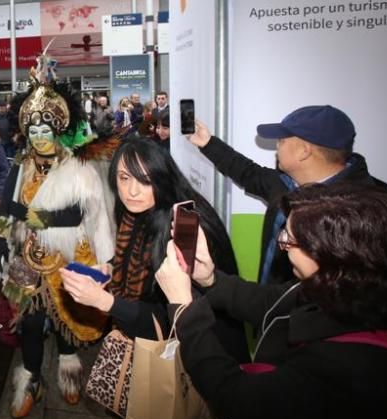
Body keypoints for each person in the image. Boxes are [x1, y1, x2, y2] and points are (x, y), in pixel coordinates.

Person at [155, 184, 387, 419]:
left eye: (290, 238)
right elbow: (270, 302)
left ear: (334, 252)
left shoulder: (356, 369)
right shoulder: (367, 286)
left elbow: (235, 396)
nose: (282, 245)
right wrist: (209, 278)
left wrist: (184, 308)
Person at [0, 54, 114, 419]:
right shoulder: (20, 165)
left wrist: (30, 215)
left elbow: (82, 214)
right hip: (29, 259)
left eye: (47, 132)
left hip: (70, 256)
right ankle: (31, 379)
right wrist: (1, 242)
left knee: (65, 322)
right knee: (29, 323)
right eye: (35, 133)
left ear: (58, 131)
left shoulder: (77, 165)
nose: (41, 138)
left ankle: (68, 368)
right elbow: (4, 206)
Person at [58, 138, 247, 358]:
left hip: (208, 357)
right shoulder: (134, 210)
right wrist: (111, 268)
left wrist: (104, 301)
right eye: (124, 178)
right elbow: (135, 261)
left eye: (145, 180)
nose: (132, 191)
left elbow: (173, 321)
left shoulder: (185, 228)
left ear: (162, 179)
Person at [188, 105, 387, 283]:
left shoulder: (363, 214)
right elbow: (248, 172)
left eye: (282, 140)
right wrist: (208, 143)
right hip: (271, 312)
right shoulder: (284, 183)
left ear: (304, 151)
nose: (277, 146)